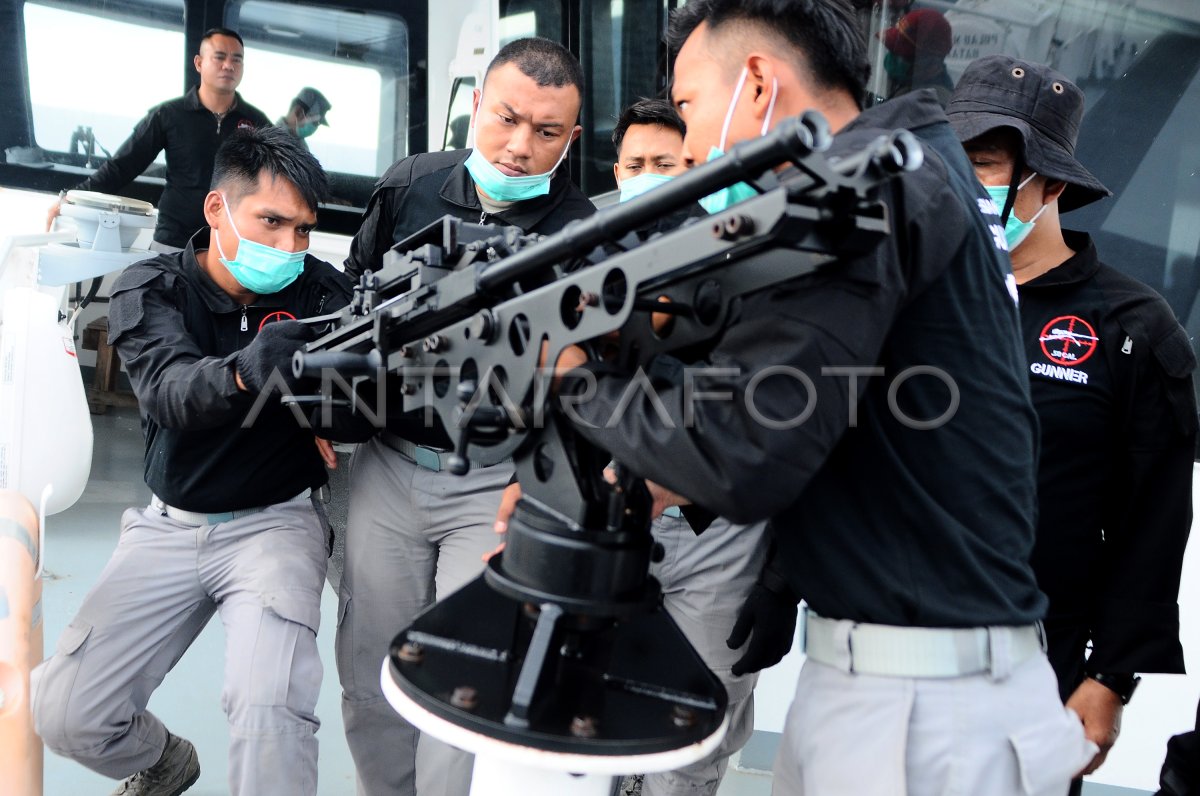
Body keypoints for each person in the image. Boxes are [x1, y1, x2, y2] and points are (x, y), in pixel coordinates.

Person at [545, 1, 1098, 793]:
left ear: (760, 83)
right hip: (909, 686)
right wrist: (650, 475)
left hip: (915, 714)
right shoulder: (911, 166)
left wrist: (570, 378)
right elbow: (822, 403)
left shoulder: (857, 193)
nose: (692, 145)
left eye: (691, 107)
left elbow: (743, 452)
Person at [31, 126, 351, 796]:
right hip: (168, 527)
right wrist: (249, 373)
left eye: (302, 230)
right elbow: (172, 393)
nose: (288, 248)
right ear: (216, 210)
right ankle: (163, 758)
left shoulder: (324, 293)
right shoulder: (151, 287)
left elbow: (360, 399)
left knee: (270, 713)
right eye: (271, 222)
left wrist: (337, 412)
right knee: (66, 715)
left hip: (276, 527)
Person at [337, 37, 595, 796]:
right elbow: (351, 296)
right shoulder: (409, 185)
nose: (520, 148)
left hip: (494, 482)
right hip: (386, 466)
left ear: (571, 139)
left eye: (546, 133)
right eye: (506, 119)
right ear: (474, 107)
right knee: (369, 669)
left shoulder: (580, 231)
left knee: (459, 682)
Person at [949, 55, 1196, 794]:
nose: (961, 184)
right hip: (887, 645)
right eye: (949, 163)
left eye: (985, 165)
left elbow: (1153, 521)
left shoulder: (1132, 328)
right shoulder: (913, 294)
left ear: (1049, 183)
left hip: (1034, 662)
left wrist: (1110, 678)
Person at [609, 97, 777, 796]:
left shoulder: (753, 259)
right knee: (592, 728)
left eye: (667, 165)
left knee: (690, 742)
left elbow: (761, 397)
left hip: (719, 535)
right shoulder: (583, 253)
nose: (649, 178)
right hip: (610, 522)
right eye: (635, 164)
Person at [46, 28, 270, 252]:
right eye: (220, 57)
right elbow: (123, 165)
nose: (229, 65)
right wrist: (71, 198)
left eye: (237, 59)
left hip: (230, 246)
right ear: (199, 63)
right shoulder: (169, 115)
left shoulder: (257, 123)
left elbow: (280, 176)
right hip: (172, 242)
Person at [880, 8, 954, 105]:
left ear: (926, 61)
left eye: (900, 53)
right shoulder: (912, 86)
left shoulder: (929, 103)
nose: (891, 57)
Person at [278, 87, 332, 152]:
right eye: (315, 123)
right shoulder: (274, 144)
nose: (315, 128)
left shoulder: (300, 144)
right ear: (299, 112)